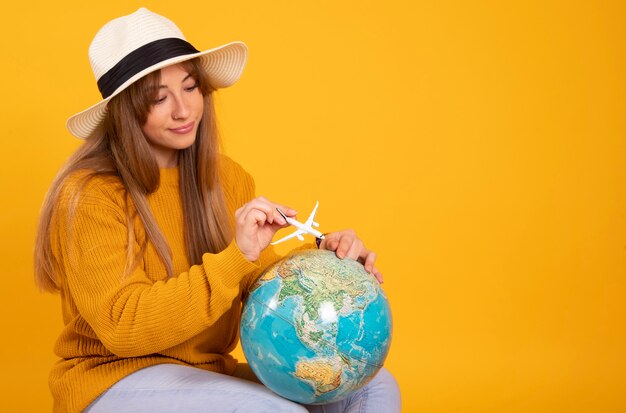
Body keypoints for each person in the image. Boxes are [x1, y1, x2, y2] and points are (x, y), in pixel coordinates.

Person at [34, 7, 400, 413]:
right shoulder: (89, 195)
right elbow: (124, 327)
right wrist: (235, 257)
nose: (183, 109)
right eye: (159, 98)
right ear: (124, 112)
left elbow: (252, 285)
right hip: (111, 379)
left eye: (190, 88)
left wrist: (324, 267)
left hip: (206, 374)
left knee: (373, 387)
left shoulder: (228, 179)